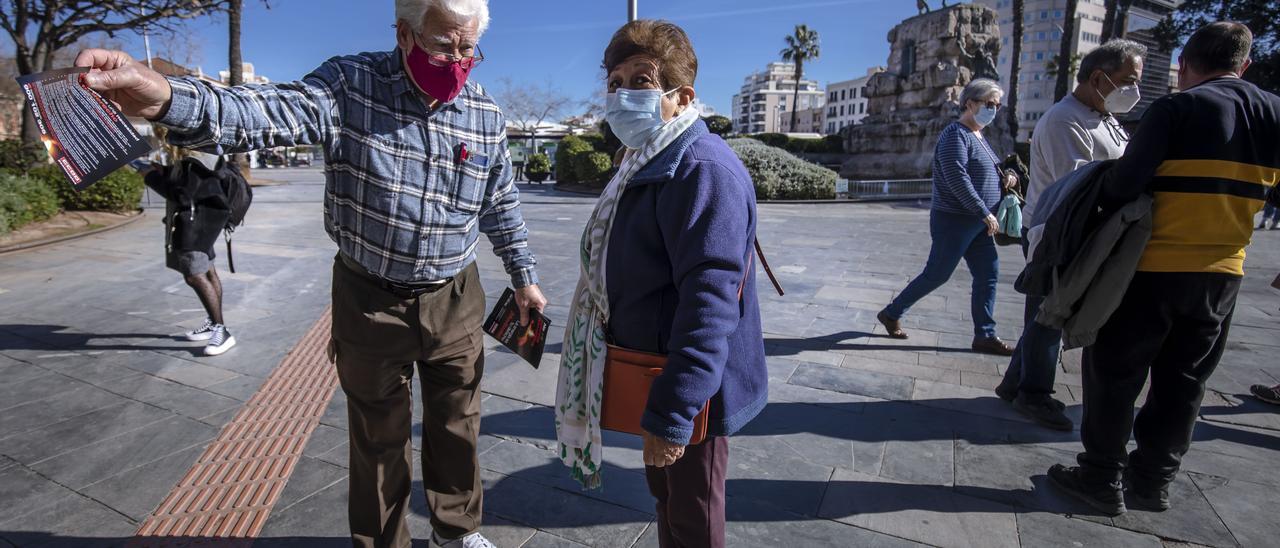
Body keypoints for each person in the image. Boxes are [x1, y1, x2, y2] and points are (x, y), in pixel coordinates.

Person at [77, 1, 548, 546]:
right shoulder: (350, 84)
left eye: (470, 48)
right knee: (378, 437)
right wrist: (166, 98)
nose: (459, 60)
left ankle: (456, 530)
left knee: (457, 423)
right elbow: (264, 111)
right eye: (445, 44)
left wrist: (523, 275)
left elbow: (501, 201)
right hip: (370, 296)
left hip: (455, 294)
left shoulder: (485, 113)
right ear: (404, 33)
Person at [1047, 22, 1280, 516]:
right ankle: (1153, 482)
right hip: (1223, 272)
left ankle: (1100, 477)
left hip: (1150, 268)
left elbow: (1124, 185)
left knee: (1116, 371)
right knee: (1186, 382)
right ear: (1244, 67)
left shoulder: (1176, 107)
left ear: (1183, 65)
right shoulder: (1275, 112)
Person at [555, 20, 768, 548]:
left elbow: (710, 303)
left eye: (642, 80)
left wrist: (675, 412)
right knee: (669, 504)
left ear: (683, 95)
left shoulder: (700, 169)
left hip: (693, 389)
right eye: (615, 81)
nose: (623, 93)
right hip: (654, 373)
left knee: (693, 519)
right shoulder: (642, 159)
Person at [996, 39, 1147, 431]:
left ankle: (1015, 382)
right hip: (1057, 230)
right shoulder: (1065, 120)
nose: (1133, 90)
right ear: (1099, 78)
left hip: (1078, 229)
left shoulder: (1101, 117)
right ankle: (1034, 392)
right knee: (1050, 311)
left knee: (1043, 312)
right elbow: (1077, 186)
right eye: (1128, 81)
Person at [878, 78, 1018, 356]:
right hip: (955, 220)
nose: (994, 109)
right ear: (970, 103)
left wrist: (1008, 177)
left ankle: (985, 335)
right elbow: (957, 178)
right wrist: (983, 211)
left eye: (997, 105)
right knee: (937, 274)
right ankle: (891, 313)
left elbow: (988, 171)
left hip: (980, 222)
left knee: (989, 274)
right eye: (989, 104)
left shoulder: (979, 135)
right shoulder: (956, 134)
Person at [163, 151, 238, 356]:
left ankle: (221, 330)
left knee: (195, 276)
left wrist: (150, 176)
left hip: (193, 227)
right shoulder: (204, 155)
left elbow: (183, 196)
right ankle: (214, 323)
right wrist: (164, 171)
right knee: (208, 271)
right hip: (206, 223)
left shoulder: (192, 161)